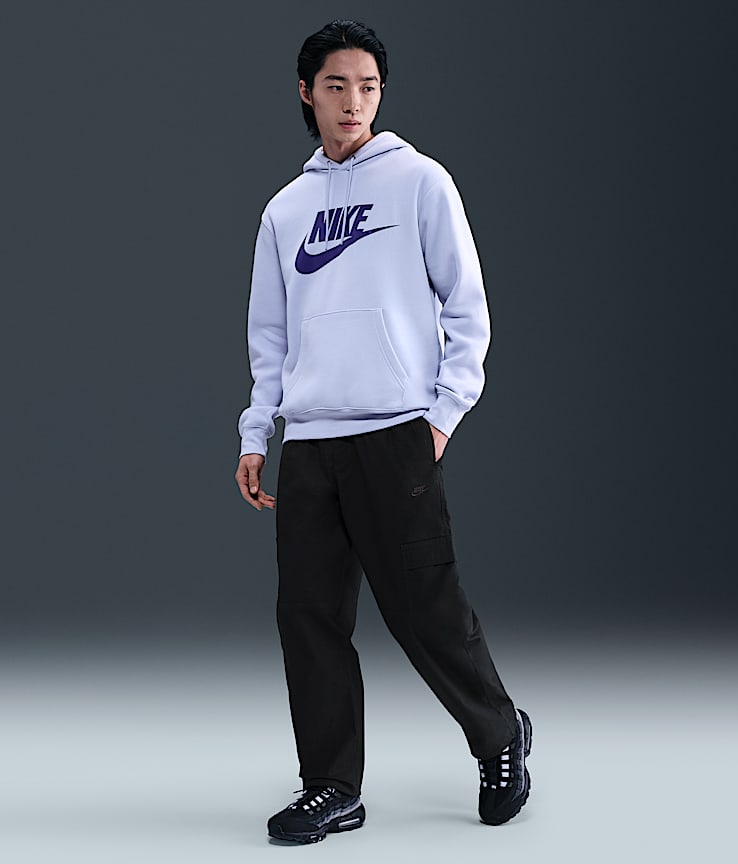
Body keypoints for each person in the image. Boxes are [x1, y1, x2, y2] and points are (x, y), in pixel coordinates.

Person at [235, 19, 531, 845]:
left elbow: (467, 310)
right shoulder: (285, 211)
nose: (353, 102)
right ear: (306, 93)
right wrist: (258, 434)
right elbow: (270, 337)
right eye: (336, 86)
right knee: (309, 618)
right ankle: (332, 786)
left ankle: (499, 735)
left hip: (396, 434)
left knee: (425, 610)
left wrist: (440, 418)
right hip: (311, 444)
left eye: (367, 87)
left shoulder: (420, 183)